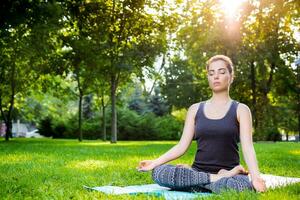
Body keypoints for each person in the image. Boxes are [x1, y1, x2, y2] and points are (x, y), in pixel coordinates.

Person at [137, 55, 266, 193]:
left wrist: (256, 178)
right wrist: (155, 163)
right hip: (200, 171)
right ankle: (215, 179)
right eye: (211, 73)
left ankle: (199, 182)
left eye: (221, 72)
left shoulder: (241, 109)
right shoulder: (195, 109)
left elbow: (248, 147)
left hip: (228, 172)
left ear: (231, 76)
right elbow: (181, 146)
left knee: (240, 187)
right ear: (208, 78)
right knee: (159, 172)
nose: (216, 76)